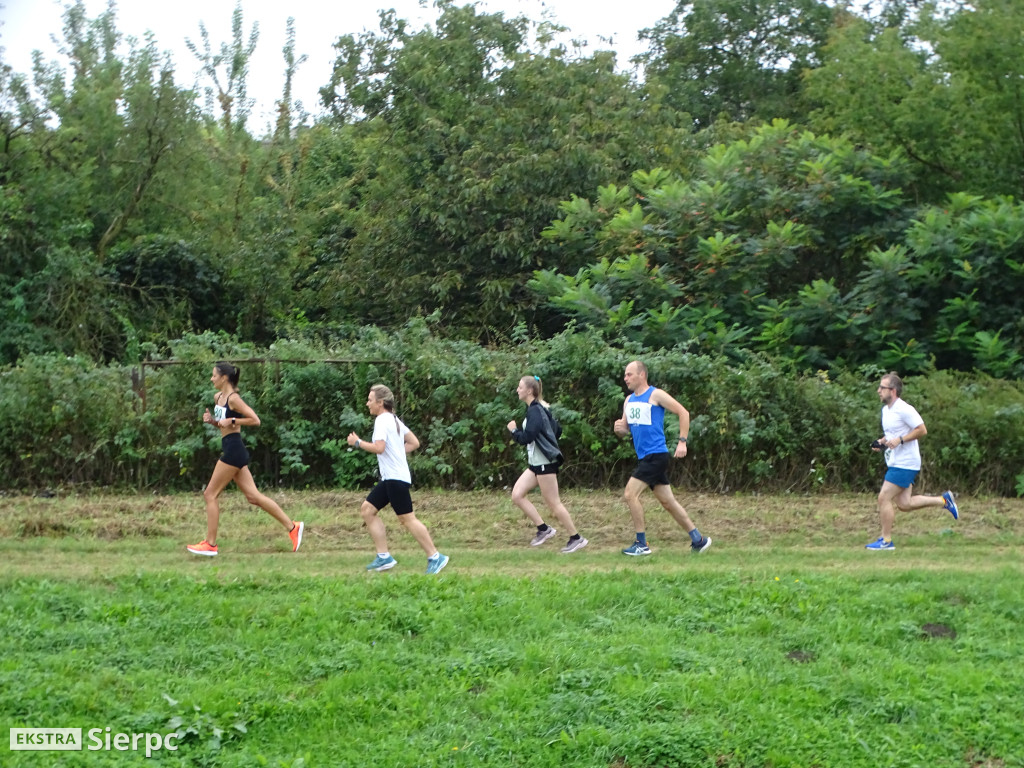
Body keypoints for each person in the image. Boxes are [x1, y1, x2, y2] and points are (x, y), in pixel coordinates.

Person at [187, 362, 303, 557]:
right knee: (253, 497)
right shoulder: (218, 397)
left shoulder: (234, 399)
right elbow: (223, 426)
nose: (211, 378)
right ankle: (292, 527)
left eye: (214, 375)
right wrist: (213, 422)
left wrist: (233, 420)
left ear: (224, 378)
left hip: (234, 451)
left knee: (210, 494)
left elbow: (255, 420)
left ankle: (210, 544)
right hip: (232, 449)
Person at [347, 384, 449, 574]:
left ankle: (435, 556)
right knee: (368, 510)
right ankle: (384, 557)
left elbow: (379, 448)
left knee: (407, 519)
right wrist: (397, 453)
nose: (367, 403)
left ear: (380, 403)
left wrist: (358, 443)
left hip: (395, 478)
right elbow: (414, 442)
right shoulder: (394, 420)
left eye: (370, 400)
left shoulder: (382, 421)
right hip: (391, 478)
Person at [612, 360, 711, 556]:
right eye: (625, 375)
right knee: (668, 502)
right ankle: (698, 540)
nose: (625, 378)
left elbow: (683, 412)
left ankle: (641, 543)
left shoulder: (655, 395)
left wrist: (682, 441)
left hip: (656, 455)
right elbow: (625, 429)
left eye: (629, 374)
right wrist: (619, 429)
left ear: (642, 375)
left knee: (630, 494)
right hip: (644, 457)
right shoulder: (628, 401)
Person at [866, 372, 959, 550]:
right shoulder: (886, 410)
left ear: (892, 391)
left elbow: (922, 430)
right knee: (904, 504)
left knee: (883, 498)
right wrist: (882, 442)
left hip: (906, 463)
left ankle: (886, 541)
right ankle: (944, 500)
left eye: (882, 388)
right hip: (895, 461)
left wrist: (901, 440)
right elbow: (892, 434)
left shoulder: (905, 409)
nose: (878, 391)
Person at [506, 375, 588, 554]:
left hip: (544, 465)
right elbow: (557, 431)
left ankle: (576, 538)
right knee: (517, 495)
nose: (517, 390)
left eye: (520, 387)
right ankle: (544, 529)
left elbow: (527, 438)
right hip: (536, 464)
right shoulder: (540, 409)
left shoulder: (535, 411)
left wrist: (513, 430)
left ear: (529, 390)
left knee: (554, 504)